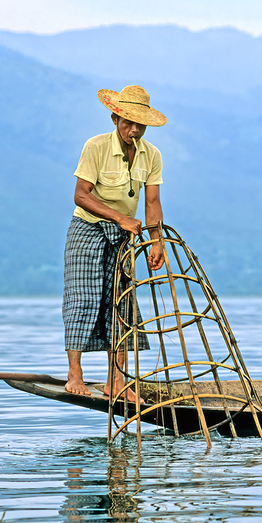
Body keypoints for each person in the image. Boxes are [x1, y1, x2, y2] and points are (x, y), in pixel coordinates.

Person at [62, 85, 167, 398]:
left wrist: (156, 241)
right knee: (82, 297)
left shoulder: (152, 155)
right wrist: (120, 218)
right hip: (88, 229)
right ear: (114, 118)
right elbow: (81, 195)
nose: (132, 129)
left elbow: (152, 202)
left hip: (124, 236)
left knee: (119, 304)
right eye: (126, 122)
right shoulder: (95, 147)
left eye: (138, 124)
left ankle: (116, 382)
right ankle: (75, 375)